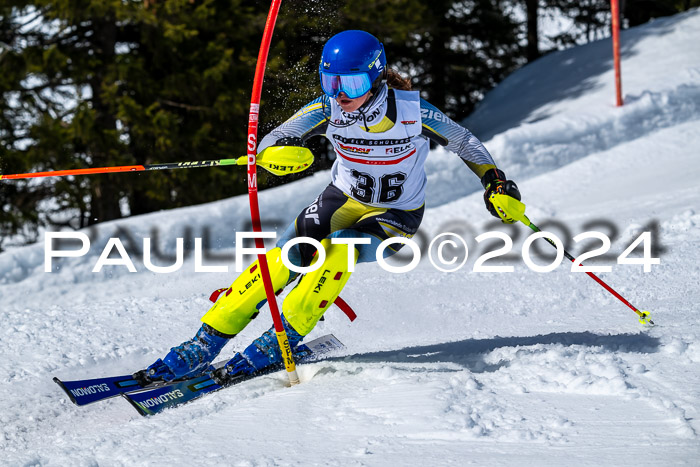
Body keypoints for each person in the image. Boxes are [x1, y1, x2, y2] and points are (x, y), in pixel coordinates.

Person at [142, 30, 521, 383]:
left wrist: (495, 182)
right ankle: (205, 340)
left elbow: (465, 141)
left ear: (375, 79)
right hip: (341, 199)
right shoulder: (327, 108)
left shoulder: (411, 112)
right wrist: (275, 154)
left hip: (395, 216)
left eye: (351, 84)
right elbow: (274, 138)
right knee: (283, 258)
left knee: (341, 247)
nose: (340, 94)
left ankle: (282, 339)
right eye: (331, 82)